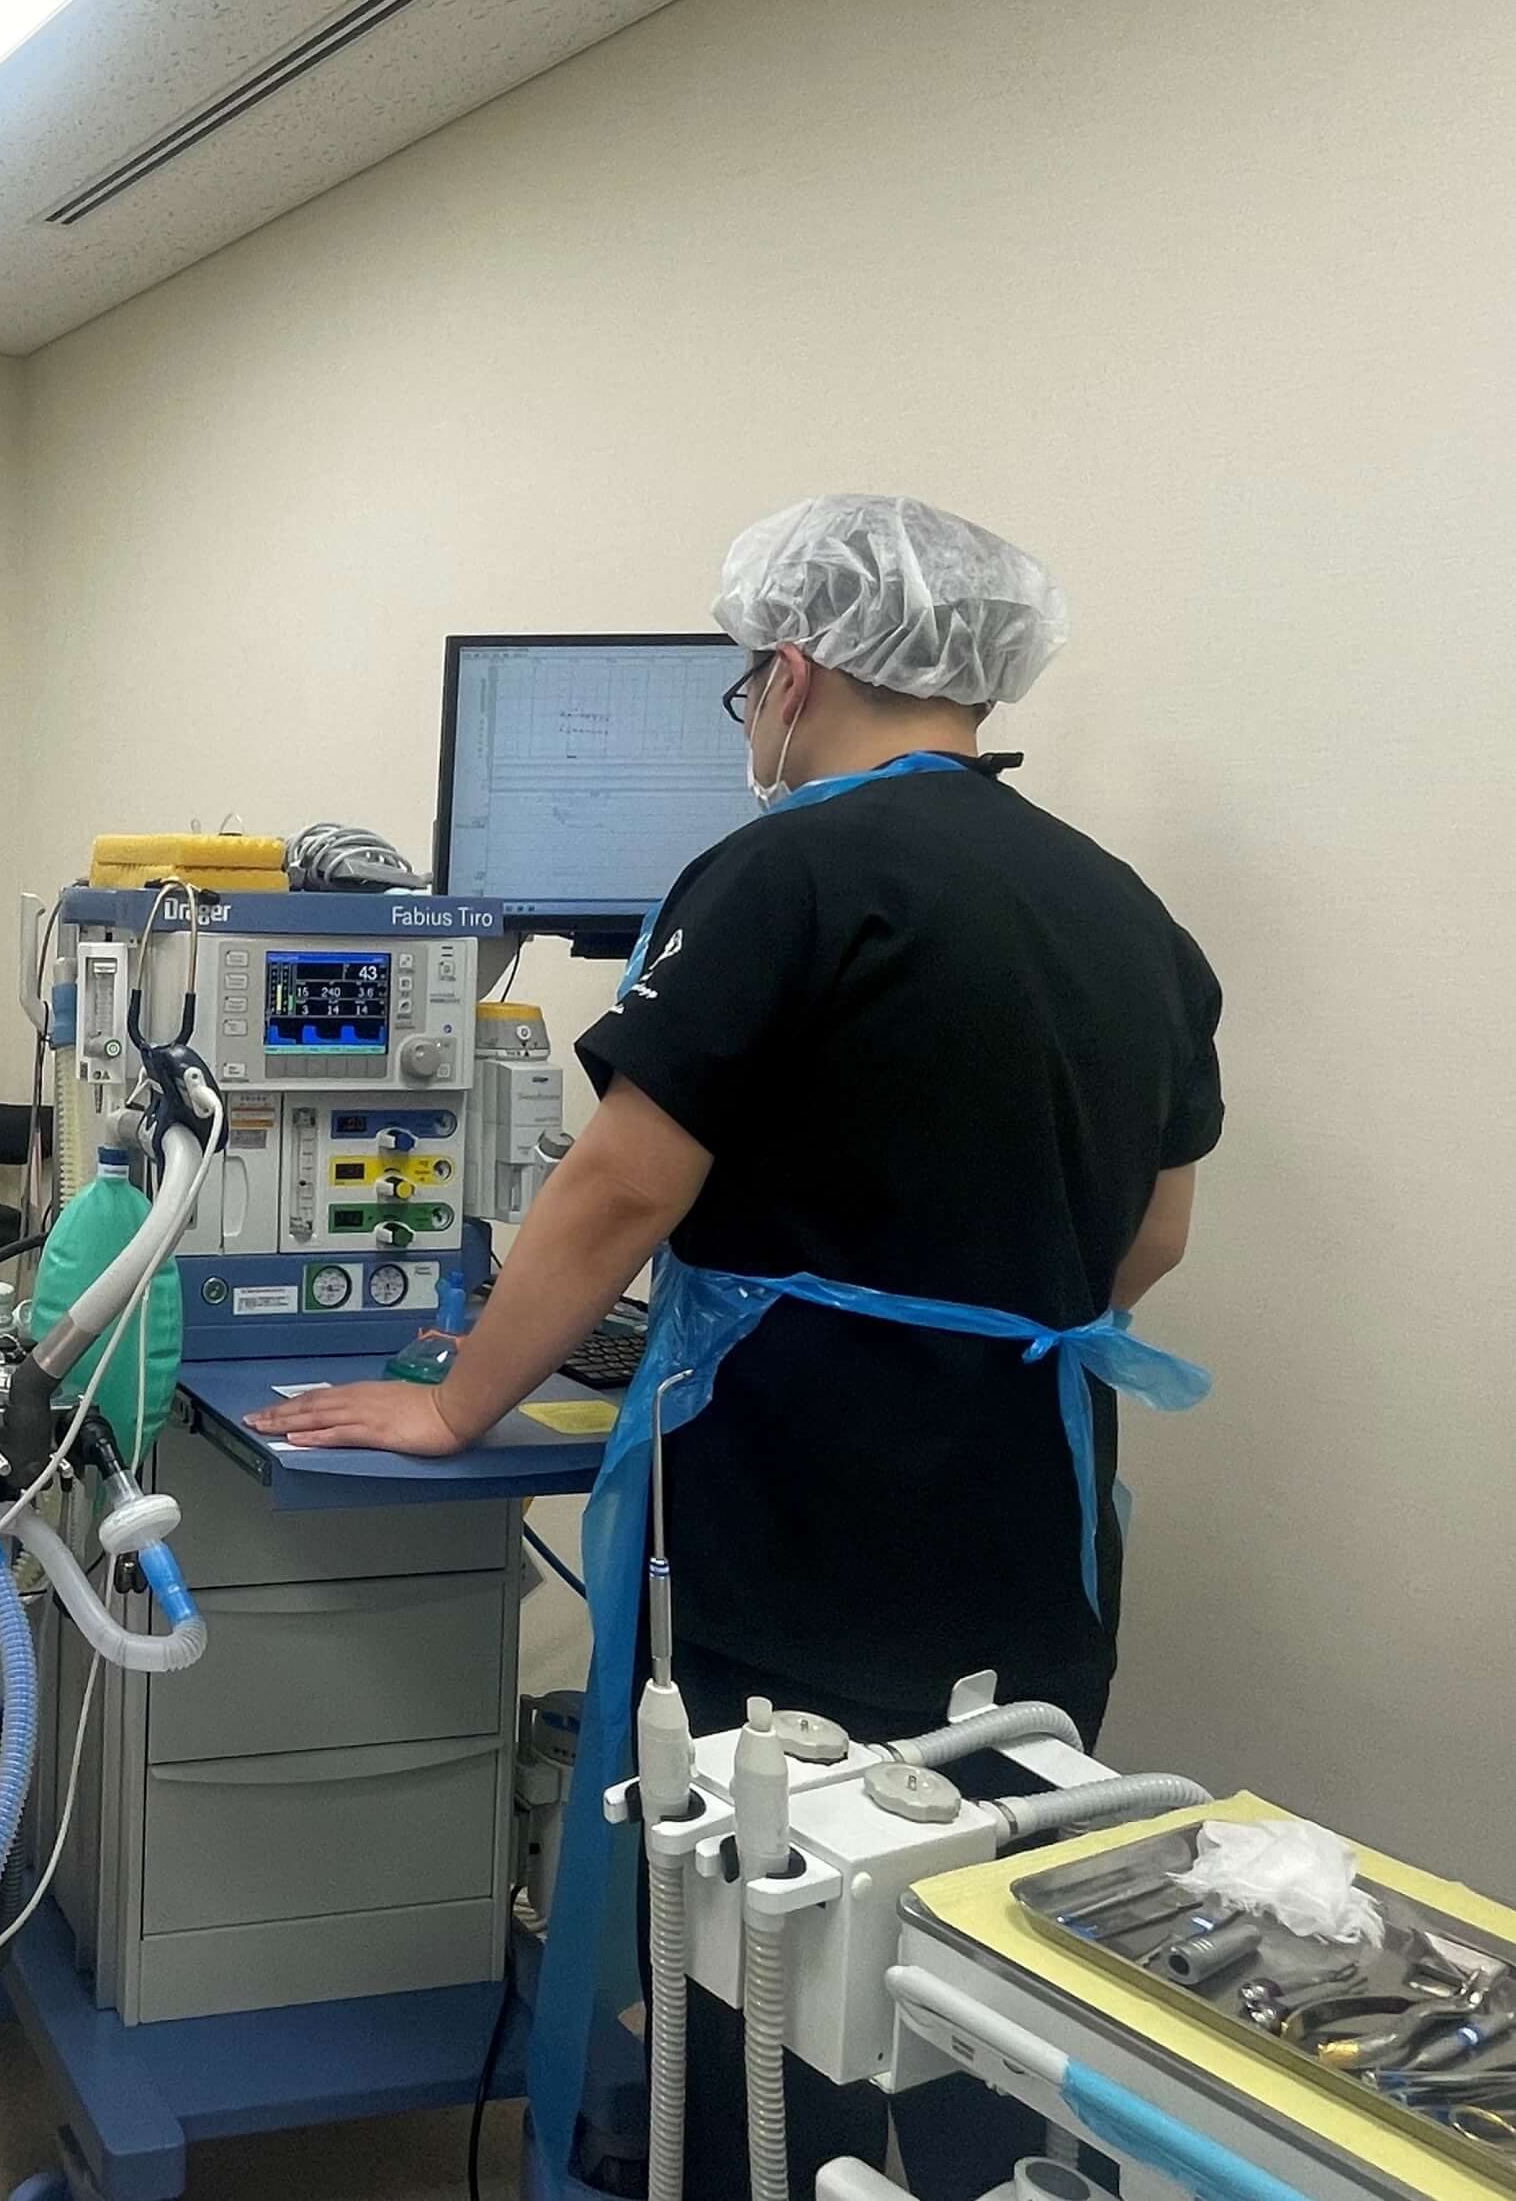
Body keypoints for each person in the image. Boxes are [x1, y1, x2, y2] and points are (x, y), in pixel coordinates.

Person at [249, 493, 1223, 2199]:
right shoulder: (1128, 909)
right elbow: (1151, 1242)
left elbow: (623, 1186)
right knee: (979, 1944)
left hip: (805, 1506)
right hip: (1033, 1518)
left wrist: (455, 1404)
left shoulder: (787, 870)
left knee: (764, 1954)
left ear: (792, 670)